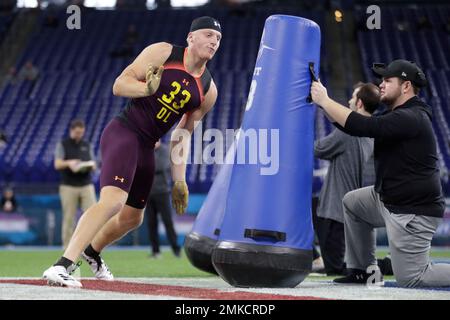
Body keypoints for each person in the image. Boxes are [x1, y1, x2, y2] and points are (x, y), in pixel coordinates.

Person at [43, 16, 221, 288]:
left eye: (218, 38)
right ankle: (62, 265)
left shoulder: (208, 89)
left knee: (132, 218)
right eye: (208, 34)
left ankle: (92, 252)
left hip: (148, 146)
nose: (213, 41)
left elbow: (182, 135)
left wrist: (180, 179)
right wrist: (145, 88)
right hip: (125, 132)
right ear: (191, 37)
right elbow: (119, 84)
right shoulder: (164, 52)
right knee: (113, 201)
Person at [310, 59, 450, 288]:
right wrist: (323, 104)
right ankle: (362, 271)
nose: (381, 84)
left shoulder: (412, 116)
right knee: (353, 202)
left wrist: (325, 99)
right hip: (387, 199)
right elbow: (352, 125)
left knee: (412, 278)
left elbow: (363, 126)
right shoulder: (399, 115)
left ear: (406, 86)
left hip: (412, 210)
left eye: (387, 80)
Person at [313, 82, 380, 276]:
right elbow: (339, 121)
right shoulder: (371, 131)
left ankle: (384, 265)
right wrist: (322, 103)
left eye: (352, 96)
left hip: (334, 210)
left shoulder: (348, 133)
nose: (349, 100)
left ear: (359, 103)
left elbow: (318, 149)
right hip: (340, 208)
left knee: (335, 268)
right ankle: (314, 257)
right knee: (305, 209)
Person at [54, 119, 97, 248]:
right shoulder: (63, 144)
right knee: (69, 217)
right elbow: (57, 164)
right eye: (77, 132)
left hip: (86, 184)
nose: (79, 135)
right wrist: (70, 163)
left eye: (81, 132)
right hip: (68, 185)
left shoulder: (87, 144)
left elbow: (94, 164)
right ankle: (67, 247)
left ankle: (92, 246)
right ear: (71, 131)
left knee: (93, 215)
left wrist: (88, 166)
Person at [146, 139, 181, 258]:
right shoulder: (147, 150)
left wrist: (146, 165)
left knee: (168, 222)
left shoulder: (165, 151)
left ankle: (176, 249)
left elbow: (160, 166)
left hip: (162, 192)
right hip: (148, 193)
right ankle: (155, 251)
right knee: (151, 223)